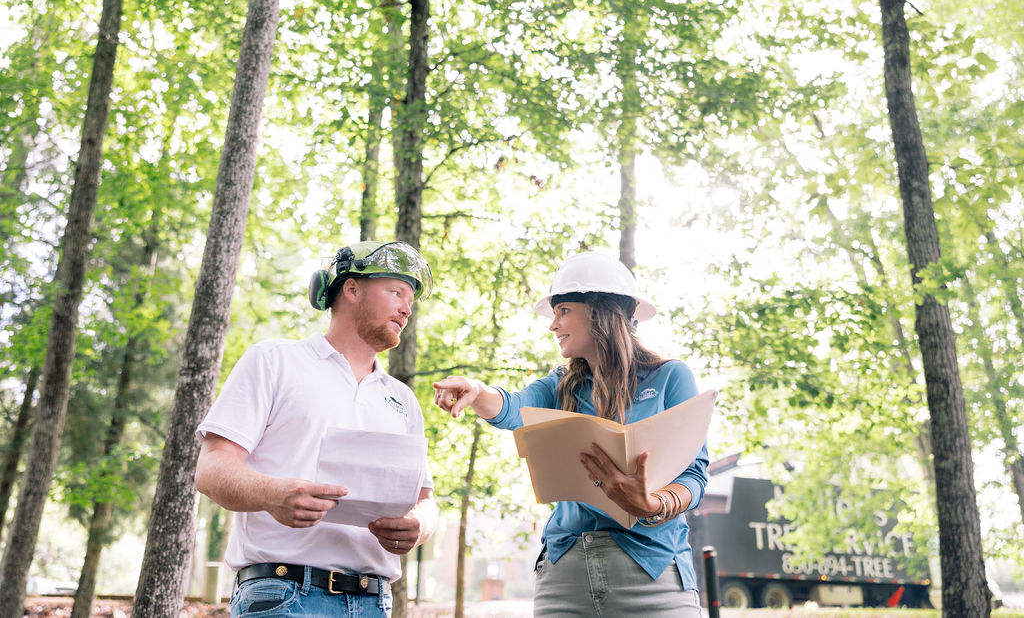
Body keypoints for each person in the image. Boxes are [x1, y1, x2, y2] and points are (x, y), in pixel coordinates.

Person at [433, 252, 709, 616]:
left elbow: (695, 474)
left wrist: (654, 506)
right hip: (565, 574)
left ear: (600, 312)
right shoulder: (561, 385)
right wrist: (477, 391)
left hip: (653, 573)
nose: (553, 325)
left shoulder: (671, 378)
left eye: (563, 311)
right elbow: (516, 408)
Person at [195, 240, 439, 618]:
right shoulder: (274, 361)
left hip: (375, 602)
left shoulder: (402, 399)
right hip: (282, 596)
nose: (406, 308)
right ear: (352, 289)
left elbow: (425, 499)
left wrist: (419, 524)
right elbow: (210, 468)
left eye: (411, 299)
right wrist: (272, 493)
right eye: (395, 291)